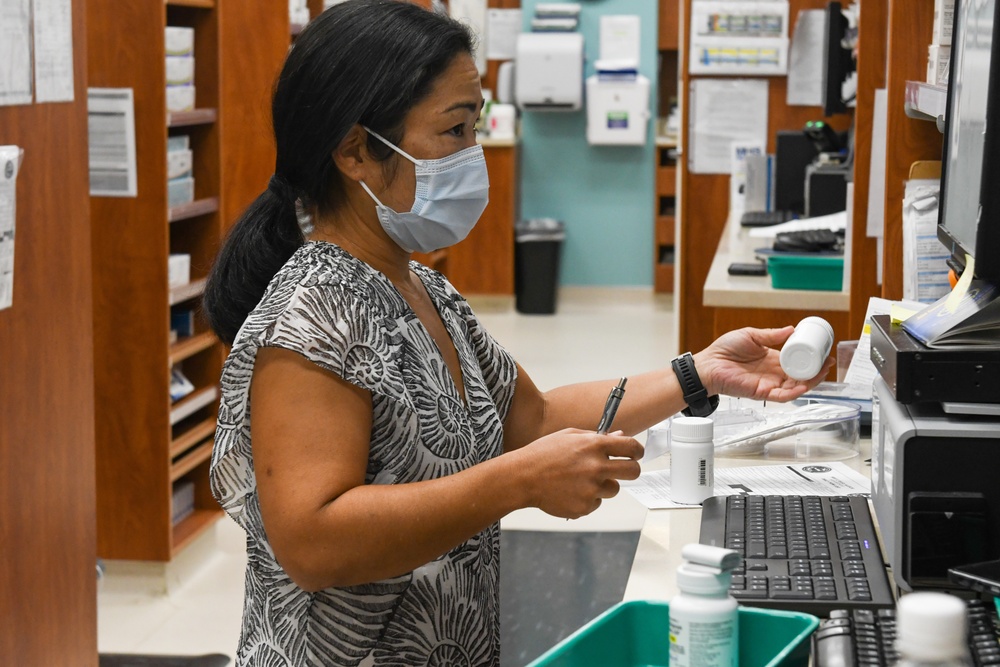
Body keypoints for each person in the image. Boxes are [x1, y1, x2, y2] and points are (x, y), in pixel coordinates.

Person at [202, 2, 833, 665]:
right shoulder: (312, 315)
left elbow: (530, 418)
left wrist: (696, 374)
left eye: (475, 126)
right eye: (453, 130)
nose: (472, 155)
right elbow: (312, 543)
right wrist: (516, 483)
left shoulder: (421, 287)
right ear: (357, 150)